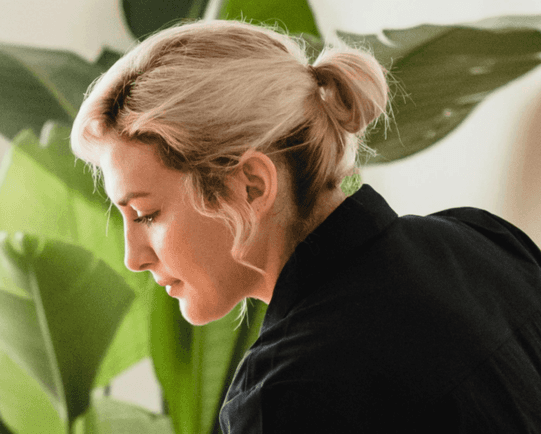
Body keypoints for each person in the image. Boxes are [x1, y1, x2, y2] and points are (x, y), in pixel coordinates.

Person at [70, 19, 541, 433]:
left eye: (147, 214)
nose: (134, 256)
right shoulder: (481, 240)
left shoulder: (288, 394)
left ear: (251, 186)